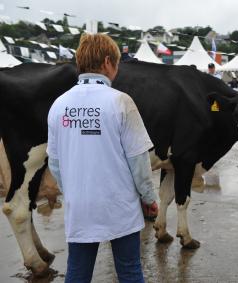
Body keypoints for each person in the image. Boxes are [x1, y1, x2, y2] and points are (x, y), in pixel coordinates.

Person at [47, 33, 158, 283]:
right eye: (117, 64)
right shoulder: (121, 102)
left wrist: (73, 192)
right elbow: (138, 160)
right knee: (129, 271)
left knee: (77, 273)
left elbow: (55, 163)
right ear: (108, 62)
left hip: (80, 207)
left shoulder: (58, 105)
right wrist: (149, 198)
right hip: (120, 206)